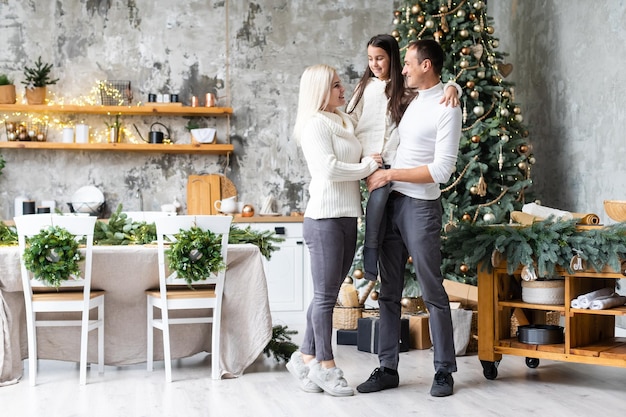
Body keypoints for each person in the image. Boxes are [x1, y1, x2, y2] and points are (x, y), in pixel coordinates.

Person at [356, 39, 462, 397]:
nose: (402, 69)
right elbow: (399, 144)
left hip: (420, 207)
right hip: (391, 204)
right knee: (388, 292)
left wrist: (390, 175)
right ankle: (387, 368)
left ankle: (444, 371)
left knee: (432, 288)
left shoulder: (447, 108)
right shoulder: (414, 99)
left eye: (409, 64)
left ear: (427, 66)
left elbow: (442, 170)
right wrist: (383, 162)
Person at [286, 64, 382, 397]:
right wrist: (368, 167)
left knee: (325, 293)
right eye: (336, 86)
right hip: (324, 219)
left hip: (346, 217)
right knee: (327, 297)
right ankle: (326, 366)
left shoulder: (342, 120)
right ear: (320, 91)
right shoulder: (314, 124)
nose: (343, 90)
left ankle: (304, 356)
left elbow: (367, 104)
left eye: (341, 84)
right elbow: (328, 169)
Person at [347, 34, 461, 282]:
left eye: (380, 58)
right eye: (370, 59)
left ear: (392, 59)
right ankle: (370, 263)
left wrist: (454, 86)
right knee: (375, 212)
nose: (374, 64)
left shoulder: (404, 86)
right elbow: (350, 121)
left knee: (379, 206)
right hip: (370, 162)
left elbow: (434, 89)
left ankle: (371, 264)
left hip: (391, 165)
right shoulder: (364, 88)